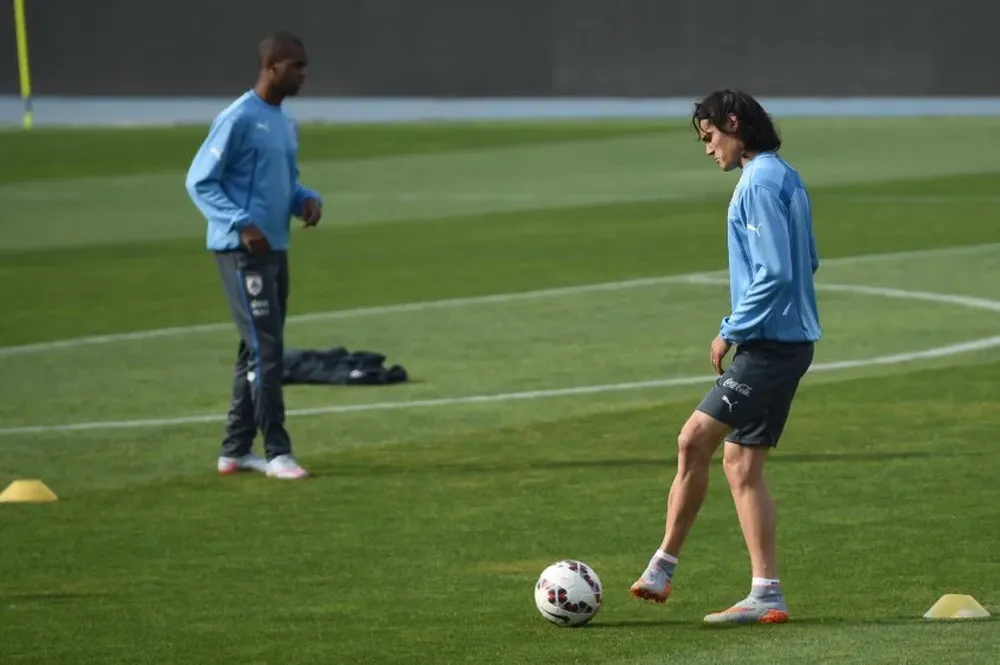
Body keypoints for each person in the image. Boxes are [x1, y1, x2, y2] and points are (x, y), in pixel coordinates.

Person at [629, 89, 822, 624]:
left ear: (734, 123)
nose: (709, 148)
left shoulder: (756, 183)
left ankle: (662, 567)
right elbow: (808, 260)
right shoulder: (786, 176)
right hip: (789, 343)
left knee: (693, 440)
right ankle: (767, 593)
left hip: (769, 348)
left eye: (710, 136)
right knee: (741, 463)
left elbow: (777, 271)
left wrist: (730, 329)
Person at [184, 31, 322, 480]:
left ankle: (235, 450)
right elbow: (199, 180)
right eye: (296, 66)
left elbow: (284, 182)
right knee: (267, 349)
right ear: (271, 67)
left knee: (256, 348)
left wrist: (305, 199)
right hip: (241, 252)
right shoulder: (238, 118)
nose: (303, 75)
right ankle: (277, 452)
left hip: (276, 248)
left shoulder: (286, 123)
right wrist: (240, 223)